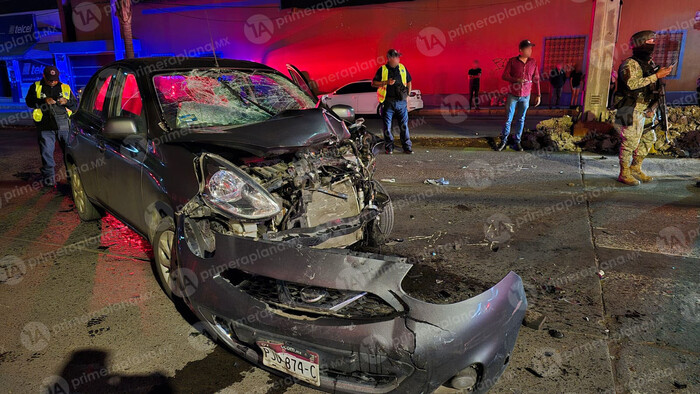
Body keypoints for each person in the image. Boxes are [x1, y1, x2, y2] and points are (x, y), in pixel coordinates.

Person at [612, 30, 673, 186]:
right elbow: (632, 84)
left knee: (648, 139)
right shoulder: (629, 64)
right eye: (650, 42)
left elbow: (652, 85)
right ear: (640, 44)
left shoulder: (649, 63)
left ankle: (635, 167)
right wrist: (656, 76)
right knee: (630, 142)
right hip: (629, 107)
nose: (653, 45)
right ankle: (624, 173)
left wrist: (653, 105)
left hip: (646, 108)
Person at [25, 66, 78, 187]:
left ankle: (73, 179)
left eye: (55, 79)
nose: (53, 81)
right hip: (45, 125)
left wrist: (67, 102)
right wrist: (44, 101)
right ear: (44, 76)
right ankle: (49, 180)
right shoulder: (36, 86)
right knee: (47, 153)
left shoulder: (65, 87)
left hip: (63, 124)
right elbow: (29, 101)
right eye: (50, 79)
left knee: (69, 153)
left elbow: (75, 106)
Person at [498, 39, 541, 151]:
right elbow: (504, 76)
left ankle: (517, 141)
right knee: (508, 119)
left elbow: (536, 79)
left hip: (526, 96)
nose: (530, 50)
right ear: (521, 50)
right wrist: (516, 80)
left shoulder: (533, 62)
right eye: (527, 48)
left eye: (531, 48)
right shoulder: (512, 61)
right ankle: (503, 141)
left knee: (521, 119)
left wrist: (539, 95)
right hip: (513, 95)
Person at [372, 49, 413, 154]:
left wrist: (408, 94)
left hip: (401, 102)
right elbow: (373, 83)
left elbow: (409, 81)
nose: (398, 59)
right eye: (396, 57)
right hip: (388, 103)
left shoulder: (402, 68)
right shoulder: (382, 69)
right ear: (389, 58)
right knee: (387, 126)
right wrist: (386, 82)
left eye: (398, 57)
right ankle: (389, 147)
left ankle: (407, 147)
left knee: (404, 126)